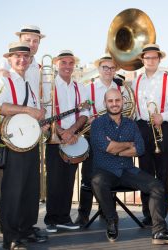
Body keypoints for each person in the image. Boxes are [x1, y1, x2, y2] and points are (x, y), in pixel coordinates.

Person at [90, 88, 168, 245]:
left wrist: (116, 149)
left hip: (127, 171)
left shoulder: (131, 124)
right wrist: (128, 145)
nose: (114, 104)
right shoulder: (97, 124)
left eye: (117, 100)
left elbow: (140, 148)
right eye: (110, 101)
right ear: (105, 103)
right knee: (97, 181)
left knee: (157, 186)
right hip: (105, 171)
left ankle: (159, 232)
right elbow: (106, 147)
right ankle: (112, 220)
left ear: (122, 102)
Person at [0, 42, 49, 250]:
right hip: (12, 143)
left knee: (30, 189)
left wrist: (41, 124)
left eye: (25, 57)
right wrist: (28, 110)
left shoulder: (28, 84)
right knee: (13, 191)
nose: (22, 60)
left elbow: (32, 114)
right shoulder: (4, 80)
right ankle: (10, 237)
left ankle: (25, 229)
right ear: (10, 59)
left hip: (29, 143)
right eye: (17, 56)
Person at [132, 44, 168, 226]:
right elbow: (136, 109)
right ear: (142, 60)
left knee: (162, 172)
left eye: (154, 58)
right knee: (144, 172)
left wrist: (162, 116)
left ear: (159, 59)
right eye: (147, 58)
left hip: (162, 128)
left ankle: (160, 213)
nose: (150, 61)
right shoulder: (137, 80)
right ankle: (147, 212)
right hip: (142, 128)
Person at [74, 53, 122, 226]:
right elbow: (84, 109)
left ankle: (108, 213)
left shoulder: (120, 88)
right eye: (105, 67)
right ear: (99, 69)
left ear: (115, 70)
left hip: (114, 139)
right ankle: (83, 214)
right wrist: (88, 117)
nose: (108, 71)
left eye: (111, 67)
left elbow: (126, 110)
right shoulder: (89, 88)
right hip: (93, 136)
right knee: (87, 176)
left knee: (110, 175)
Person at [44, 50, 89, 233]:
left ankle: (64, 217)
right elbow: (47, 113)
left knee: (69, 179)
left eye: (71, 63)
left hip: (73, 137)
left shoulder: (81, 87)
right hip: (55, 139)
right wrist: (61, 132)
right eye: (64, 63)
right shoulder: (49, 86)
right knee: (54, 180)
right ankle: (51, 220)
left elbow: (85, 113)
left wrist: (71, 132)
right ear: (56, 64)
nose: (67, 66)